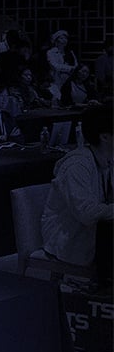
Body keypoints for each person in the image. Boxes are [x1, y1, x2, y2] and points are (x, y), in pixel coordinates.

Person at [41, 106, 113, 284]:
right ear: (105, 136)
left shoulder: (108, 160)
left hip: (96, 233)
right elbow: (86, 213)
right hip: (69, 237)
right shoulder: (77, 165)